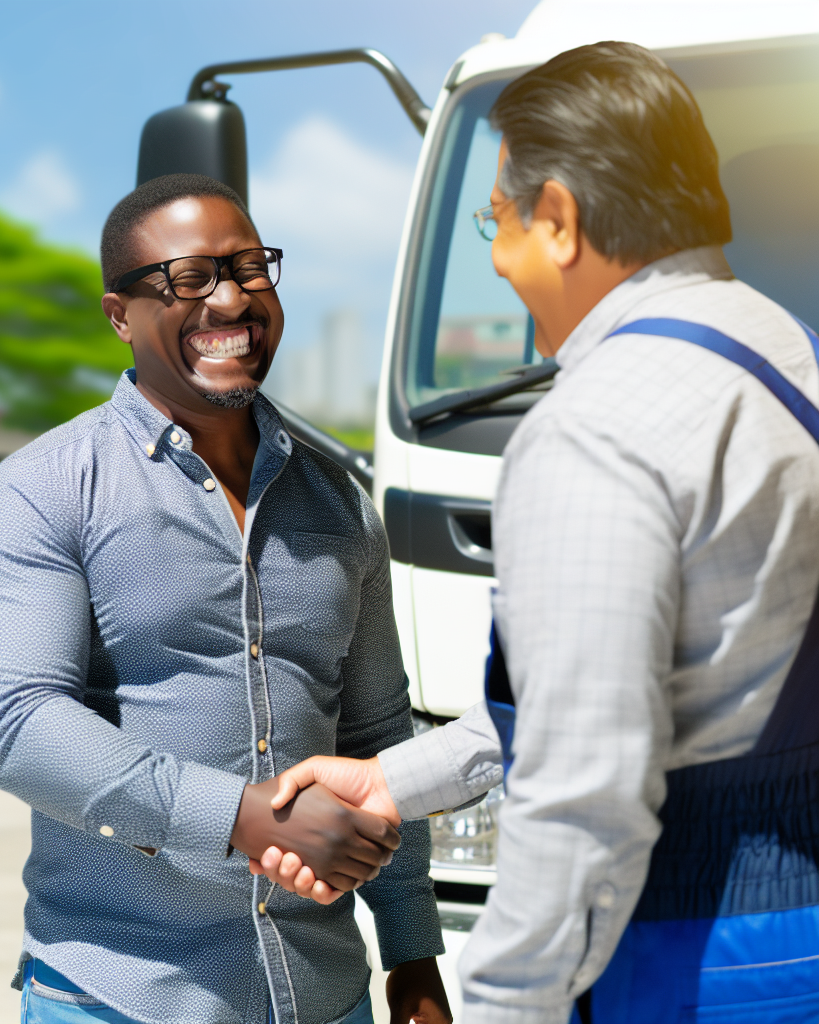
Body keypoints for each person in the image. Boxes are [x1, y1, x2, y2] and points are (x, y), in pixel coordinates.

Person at [253, 42, 819, 1022]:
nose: (497, 255)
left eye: (497, 221)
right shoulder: (784, 355)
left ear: (556, 218)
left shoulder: (593, 426)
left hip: (696, 959)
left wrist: (511, 1004)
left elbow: (582, 790)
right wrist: (397, 777)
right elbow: (664, 686)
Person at [0, 173, 452, 1024]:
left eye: (250, 267)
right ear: (121, 316)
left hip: (324, 993)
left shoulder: (338, 504)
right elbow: (23, 728)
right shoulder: (45, 489)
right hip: (120, 994)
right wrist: (238, 816)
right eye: (189, 279)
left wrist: (412, 951)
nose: (230, 299)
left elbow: (377, 738)